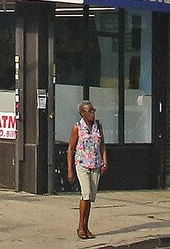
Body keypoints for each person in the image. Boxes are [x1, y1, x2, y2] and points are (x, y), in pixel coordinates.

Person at [69, 99, 108, 239]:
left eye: (93, 110)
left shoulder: (98, 125)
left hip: (96, 164)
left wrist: (104, 162)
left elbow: (102, 144)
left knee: (90, 197)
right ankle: (80, 227)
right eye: (90, 111)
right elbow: (71, 148)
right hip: (82, 164)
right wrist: (70, 169)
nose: (93, 113)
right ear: (83, 113)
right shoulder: (77, 127)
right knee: (85, 194)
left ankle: (86, 226)